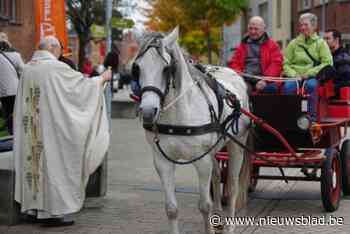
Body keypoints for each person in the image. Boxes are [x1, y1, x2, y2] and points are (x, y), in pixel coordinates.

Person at [14, 36, 111, 227]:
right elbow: (81, 88)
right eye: (59, 49)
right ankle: (53, 214)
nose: (60, 53)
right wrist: (102, 78)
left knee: (34, 165)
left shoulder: (29, 68)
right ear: (51, 48)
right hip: (51, 130)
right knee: (53, 165)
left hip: (33, 128)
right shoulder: (55, 67)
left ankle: (33, 210)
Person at [283, 13, 333, 121]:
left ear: (314, 27)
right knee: (287, 87)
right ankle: (290, 118)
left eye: (306, 25)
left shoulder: (321, 43)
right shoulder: (293, 43)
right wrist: (294, 74)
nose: (302, 28)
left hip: (312, 77)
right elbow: (285, 63)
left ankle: (311, 119)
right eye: (301, 25)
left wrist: (309, 73)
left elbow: (328, 63)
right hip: (295, 77)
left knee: (311, 86)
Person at [228, 16, 283, 93]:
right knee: (238, 89)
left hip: (265, 80)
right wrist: (239, 75)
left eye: (256, 29)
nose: (253, 31)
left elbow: (276, 64)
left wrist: (265, 80)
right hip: (246, 79)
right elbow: (234, 62)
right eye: (250, 28)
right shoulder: (243, 45)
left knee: (271, 89)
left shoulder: (272, 45)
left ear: (263, 29)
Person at [0, 32, 24, 135]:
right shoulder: (16, 55)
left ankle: (11, 132)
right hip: (15, 90)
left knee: (7, 113)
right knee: (17, 113)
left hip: (2, 91)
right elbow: (23, 71)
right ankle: (18, 133)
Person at [324, 29, 350, 96]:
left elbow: (346, 80)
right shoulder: (327, 56)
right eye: (324, 39)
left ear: (336, 40)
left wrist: (330, 88)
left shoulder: (342, 57)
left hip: (337, 97)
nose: (325, 42)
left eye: (328, 39)